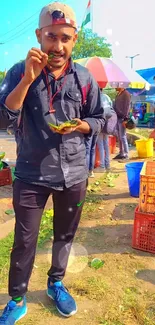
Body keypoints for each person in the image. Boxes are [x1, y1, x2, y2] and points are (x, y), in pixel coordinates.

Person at [0, 2, 105, 324]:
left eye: (65, 38)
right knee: (25, 238)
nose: (57, 46)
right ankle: (17, 298)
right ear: (39, 36)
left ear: (75, 39)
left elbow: (101, 118)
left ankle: (56, 283)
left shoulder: (85, 77)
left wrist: (83, 125)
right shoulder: (20, 70)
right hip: (31, 174)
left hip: (74, 174)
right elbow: (3, 118)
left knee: (64, 236)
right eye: (51, 36)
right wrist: (27, 80)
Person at [113, 88, 131, 160]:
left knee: (123, 136)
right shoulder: (119, 93)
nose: (115, 87)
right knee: (119, 136)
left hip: (122, 118)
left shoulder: (126, 94)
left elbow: (127, 107)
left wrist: (125, 119)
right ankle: (121, 153)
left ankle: (126, 154)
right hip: (117, 117)